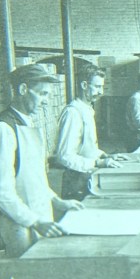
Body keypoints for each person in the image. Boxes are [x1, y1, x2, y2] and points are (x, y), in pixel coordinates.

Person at [0, 64, 83, 258]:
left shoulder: (27, 123)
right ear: (22, 89)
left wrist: (57, 201)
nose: (46, 101)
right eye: (42, 94)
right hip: (19, 224)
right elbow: (1, 192)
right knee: (26, 276)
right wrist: (35, 222)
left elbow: (34, 177)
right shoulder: (3, 129)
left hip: (38, 217)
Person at [53, 65, 123, 199]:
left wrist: (104, 155)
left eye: (102, 87)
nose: (101, 91)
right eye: (97, 87)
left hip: (86, 176)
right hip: (76, 181)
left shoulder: (86, 110)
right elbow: (64, 156)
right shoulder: (73, 113)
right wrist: (96, 163)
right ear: (84, 85)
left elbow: (86, 148)